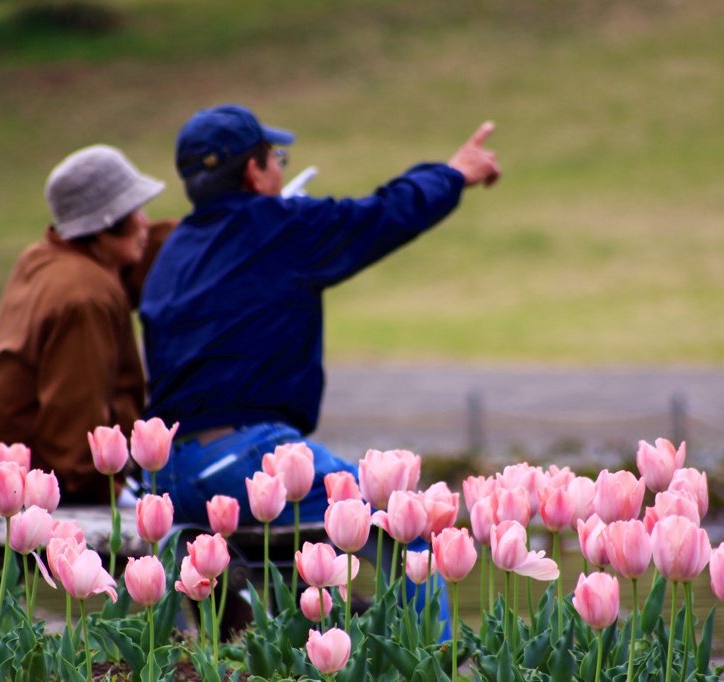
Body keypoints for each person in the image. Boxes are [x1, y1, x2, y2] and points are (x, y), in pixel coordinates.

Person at [139, 104, 500, 526]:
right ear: (254, 172)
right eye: (276, 158)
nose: (278, 168)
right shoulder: (285, 226)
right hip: (246, 459)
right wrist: (454, 173)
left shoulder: (172, 252)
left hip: (166, 478)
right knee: (411, 525)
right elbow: (385, 213)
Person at [0, 144, 171, 504]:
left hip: (17, 477)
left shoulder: (44, 257)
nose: (145, 222)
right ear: (107, 224)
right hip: (57, 491)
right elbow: (74, 428)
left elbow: (144, 253)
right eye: (135, 210)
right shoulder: (85, 296)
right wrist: (110, 491)